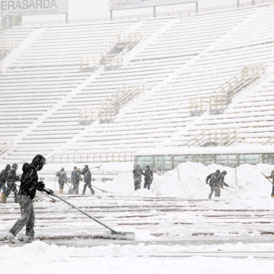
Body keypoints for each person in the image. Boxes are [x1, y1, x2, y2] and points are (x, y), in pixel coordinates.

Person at [7, 154, 53, 243]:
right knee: (25, 217)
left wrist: (42, 188)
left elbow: (31, 182)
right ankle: (12, 233)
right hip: (25, 196)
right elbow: (29, 183)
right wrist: (38, 185)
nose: (42, 166)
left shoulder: (31, 169)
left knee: (31, 218)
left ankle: (29, 236)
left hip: (26, 196)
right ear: (39, 163)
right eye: (42, 164)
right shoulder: (31, 169)